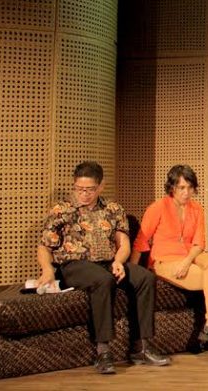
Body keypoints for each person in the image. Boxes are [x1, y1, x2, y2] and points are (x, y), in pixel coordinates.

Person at [36, 161, 170, 375]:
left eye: (89, 189)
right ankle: (103, 351)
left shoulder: (113, 209)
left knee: (145, 277)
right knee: (103, 280)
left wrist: (119, 261)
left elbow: (124, 244)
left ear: (100, 186)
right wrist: (47, 270)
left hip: (107, 262)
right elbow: (44, 247)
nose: (84, 194)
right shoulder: (61, 210)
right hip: (75, 265)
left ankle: (142, 347)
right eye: (79, 189)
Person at [130, 164, 208, 355]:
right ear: (172, 187)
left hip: (189, 257)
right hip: (164, 261)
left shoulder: (196, 208)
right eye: (181, 187)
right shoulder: (158, 207)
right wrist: (132, 270)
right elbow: (141, 241)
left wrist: (187, 261)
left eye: (190, 188)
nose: (186, 192)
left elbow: (199, 243)